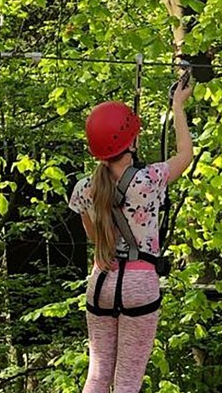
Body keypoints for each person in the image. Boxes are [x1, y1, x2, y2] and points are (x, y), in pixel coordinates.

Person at [68, 81, 193, 393]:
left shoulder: (85, 188)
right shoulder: (148, 179)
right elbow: (185, 154)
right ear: (130, 141)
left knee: (97, 375)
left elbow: (94, 237)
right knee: (127, 381)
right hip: (139, 284)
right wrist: (177, 106)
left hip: (100, 284)